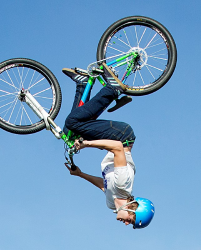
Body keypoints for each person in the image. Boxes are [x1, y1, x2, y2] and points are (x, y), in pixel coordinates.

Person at [62, 63, 155, 229]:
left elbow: (103, 184)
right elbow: (118, 147)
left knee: (70, 133)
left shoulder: (113, 204)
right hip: (122, 136)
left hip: (113, 141)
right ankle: (113, 89)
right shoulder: (123, 184)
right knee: (74, 122)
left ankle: (83, 83)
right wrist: (87, 144)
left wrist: (80, 174)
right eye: (130, 220)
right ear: (133, 209)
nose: (126, 223)